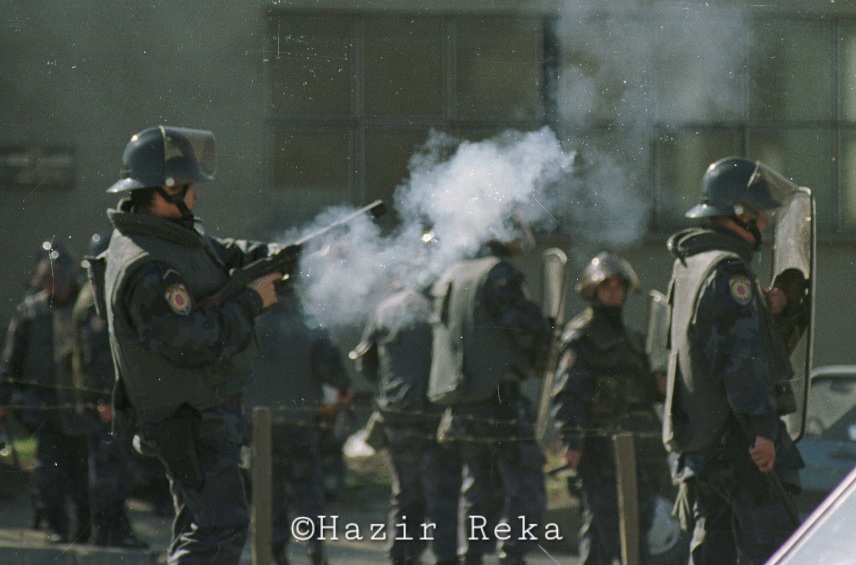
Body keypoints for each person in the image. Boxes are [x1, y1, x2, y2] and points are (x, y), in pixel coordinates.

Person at [93, 125, 281, 565]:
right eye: (188, 185)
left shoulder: (161, 235)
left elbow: (218, 253)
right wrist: (252, 302)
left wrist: (278, 254)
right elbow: (191, 340)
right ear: (165, 189)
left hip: (192, 413)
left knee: (202, 525)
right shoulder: (148, 264)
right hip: (190, 418)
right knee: (221, 528)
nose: (196, 195)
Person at [663, 156, 805, 565]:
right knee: (773, 551)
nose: (766, 223)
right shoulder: (729, 273)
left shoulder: (692, 264)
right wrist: (761, 429)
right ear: (740, 213)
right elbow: (740, 360)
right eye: (760, 215)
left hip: (704, 447)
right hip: (739, 446)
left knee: (713, 551)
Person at [428, 230, 551, 565]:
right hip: (501, 402)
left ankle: (473, 555)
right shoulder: (500, 274)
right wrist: (546, 332)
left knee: (478, 488)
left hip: (464, 403)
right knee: (525, 488)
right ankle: (511, 556)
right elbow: (525, 329)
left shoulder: (453, 274)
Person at [550, 252, 668, 565]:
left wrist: (658, 385)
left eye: (619, 286)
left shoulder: (633, 339)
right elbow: (568, 393)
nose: (614, 292)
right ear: (593, 291)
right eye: (607, 286)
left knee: (633, 529)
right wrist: (572, 440)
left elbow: (642, 394)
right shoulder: (582, 337)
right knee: (610, 528)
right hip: (600, 449)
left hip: (640, 449)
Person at [352, 279, 462, 565]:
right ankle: (445, 558)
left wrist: (390, 386)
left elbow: (365, 364)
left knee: (405, 493)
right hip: (435, 415)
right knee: (442, 496)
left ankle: (401, 557)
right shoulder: (443, 308)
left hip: (396, 415)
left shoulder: (386, 308)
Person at [244, 286, 352, 565]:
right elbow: (334, 373)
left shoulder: (249, 321)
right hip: (300, 421)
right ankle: (315, 544)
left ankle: (275, 550)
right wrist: (342, 388)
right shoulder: (309, 322)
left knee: (269, 490)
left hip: (260, 423)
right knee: (308, 487)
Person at [0, 241, 93, 544]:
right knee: (49, 476)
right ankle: (56, 529)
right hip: (45, 410)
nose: (52, 287)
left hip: (80, 410)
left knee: (84, 477)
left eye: (58, 280)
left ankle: (85, 529)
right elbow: (11, 361)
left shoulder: (85, 309)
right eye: (47, 281)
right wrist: (3, 399)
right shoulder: (30, 313)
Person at [72, 231, 147, 548]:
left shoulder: (99, 294)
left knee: (116, 467)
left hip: (109, 400)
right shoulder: (96, 302)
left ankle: (115, 528)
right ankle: (107, 532)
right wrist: (106, 400)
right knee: (108, 470)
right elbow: (97, 358)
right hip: (105, 403)